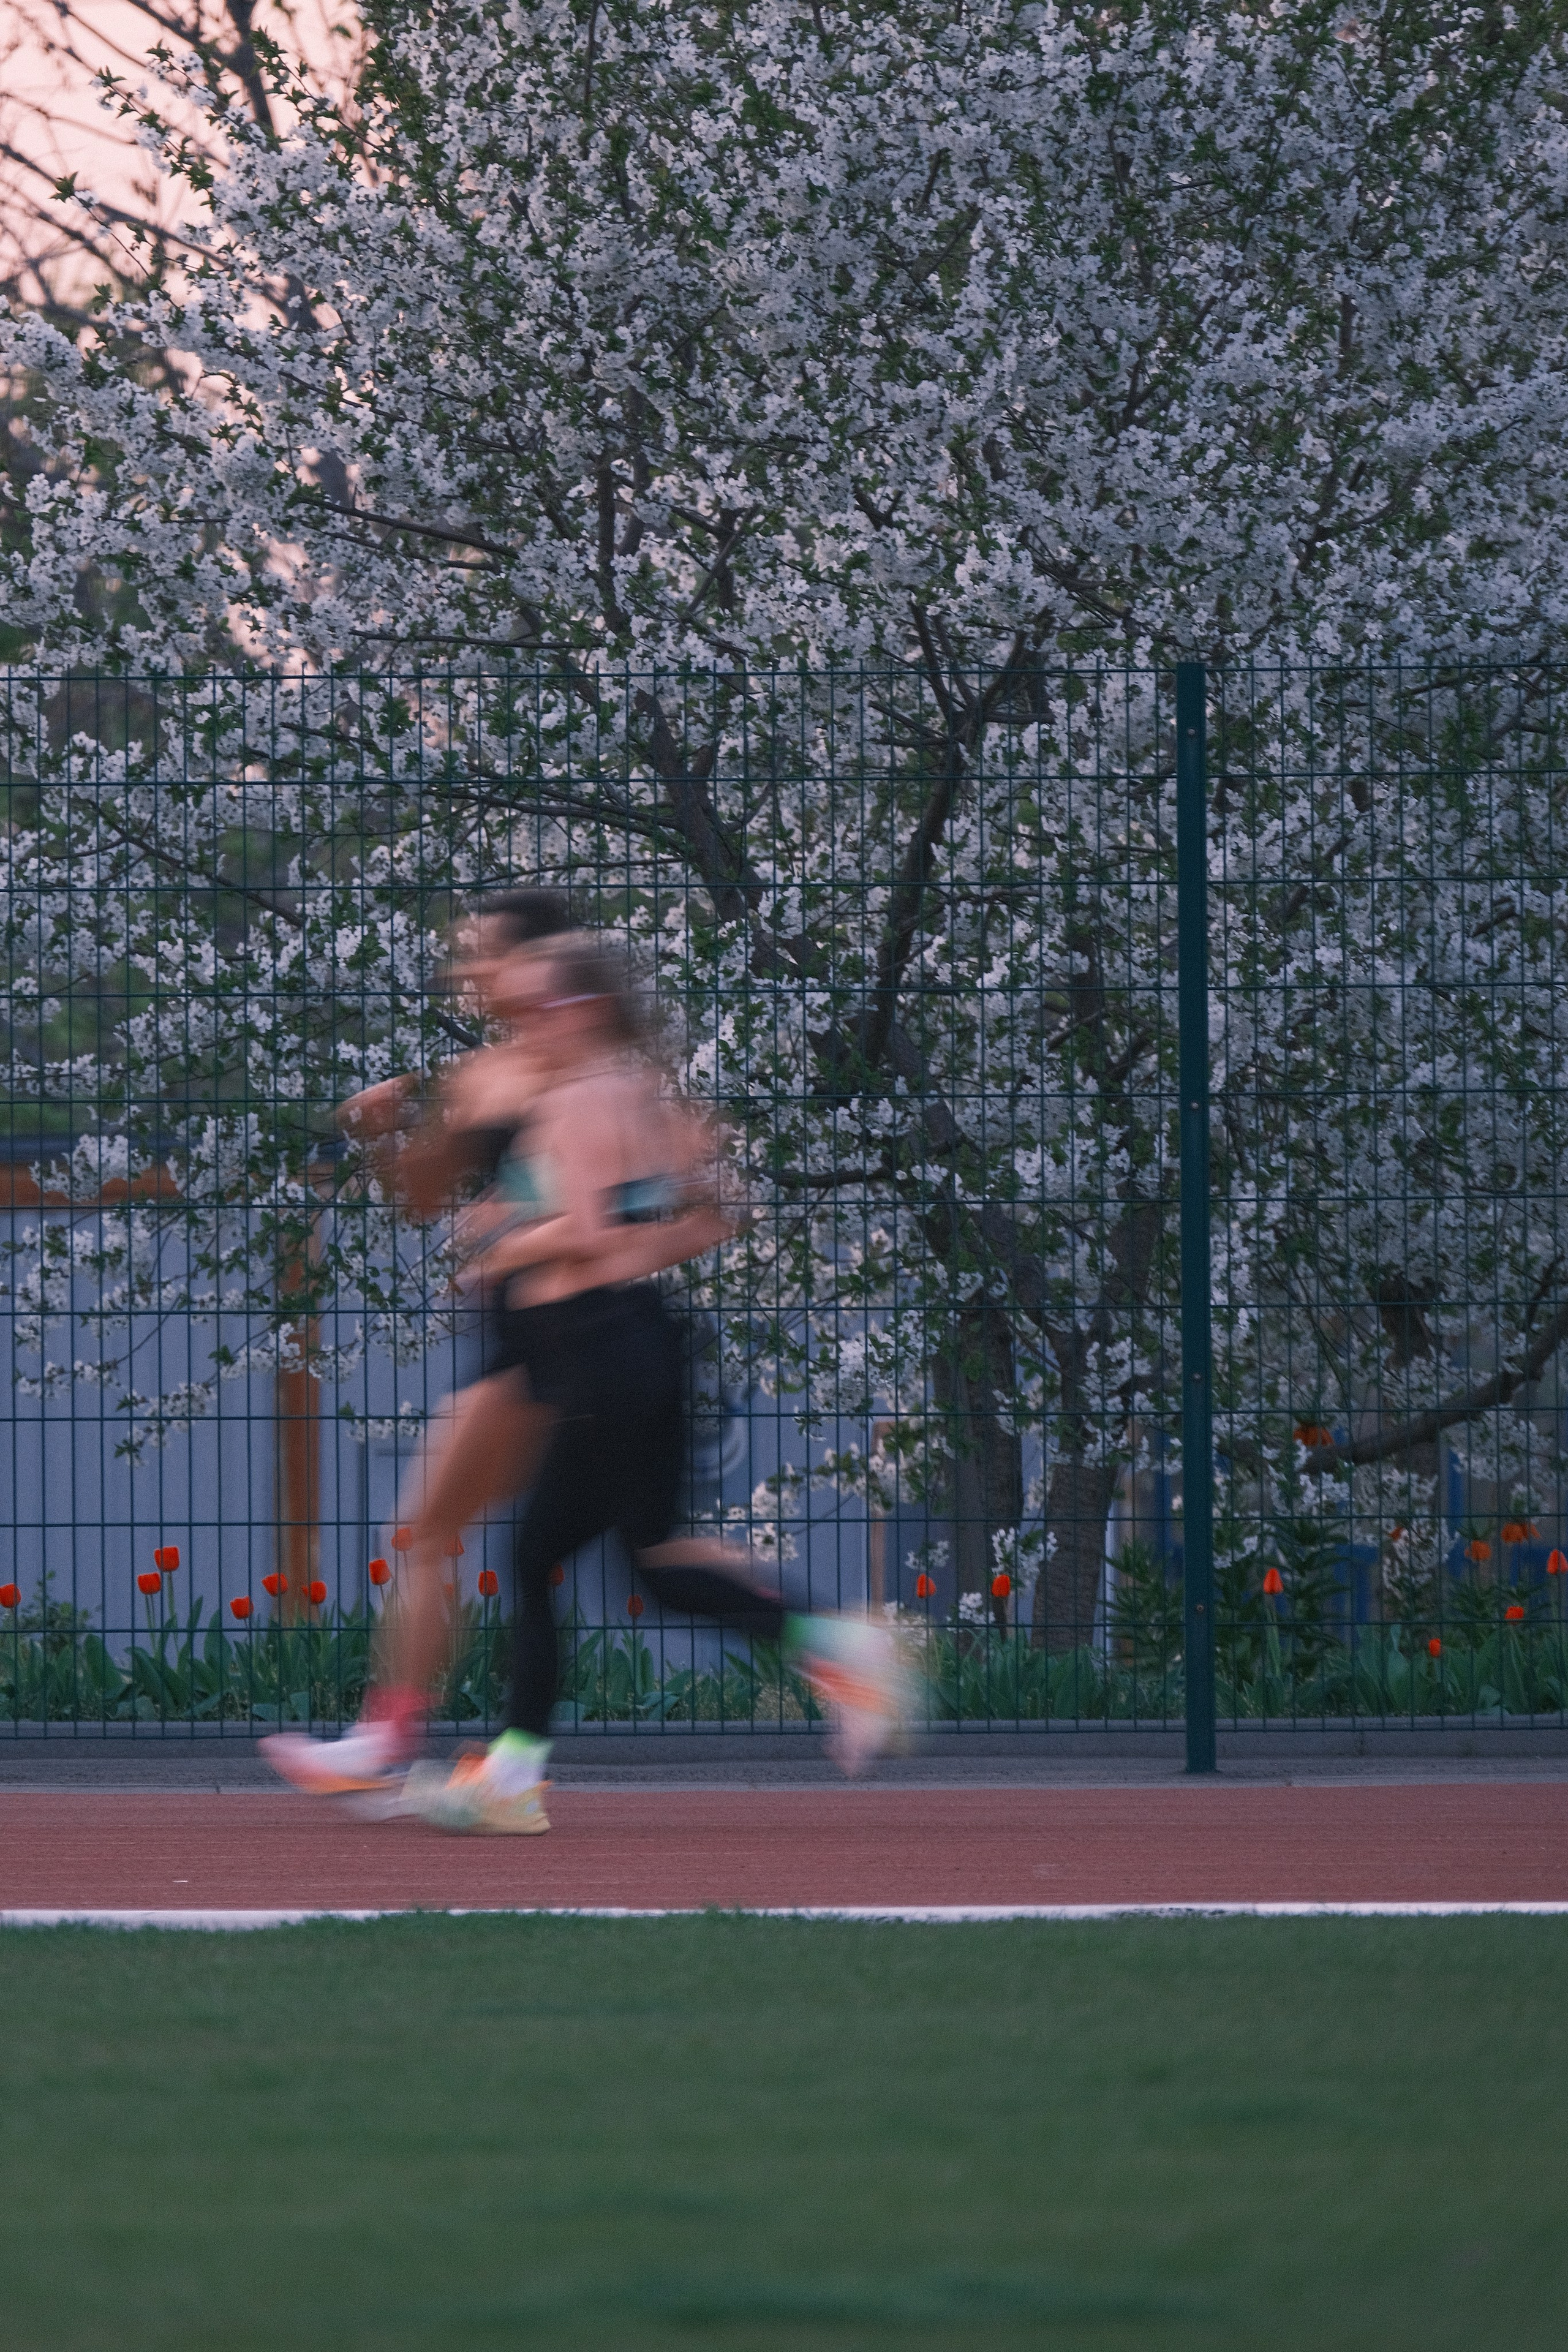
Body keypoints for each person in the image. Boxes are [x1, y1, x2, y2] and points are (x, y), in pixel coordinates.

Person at [398, 932, 907, 1836]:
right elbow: (722, 1209)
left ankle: (514, 1778)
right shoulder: (642, 1092)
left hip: (598, 1352)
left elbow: (586, 1232)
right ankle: (835, 1641)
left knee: (537, 1556)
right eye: (514, 1010)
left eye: (537, 1008)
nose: (522, 1025)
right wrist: (627, 1245)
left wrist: (503, 1242)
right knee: (657, 1560)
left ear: (586, 1010)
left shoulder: (583, 1100)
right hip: (640, 1342)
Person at [260, 891, 734, 1802]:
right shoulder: (482, 1077)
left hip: (570, 1338)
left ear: (538, 962)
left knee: (541, 1543)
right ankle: (414, 1739)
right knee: (465, 1534)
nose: (465, 973)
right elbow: (424, 1199)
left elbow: (648, 1198)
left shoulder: (592, 1075)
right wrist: (384, 1135)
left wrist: (545, 1230)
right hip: (524, 1338)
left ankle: (446, 1749)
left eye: (481, 954)